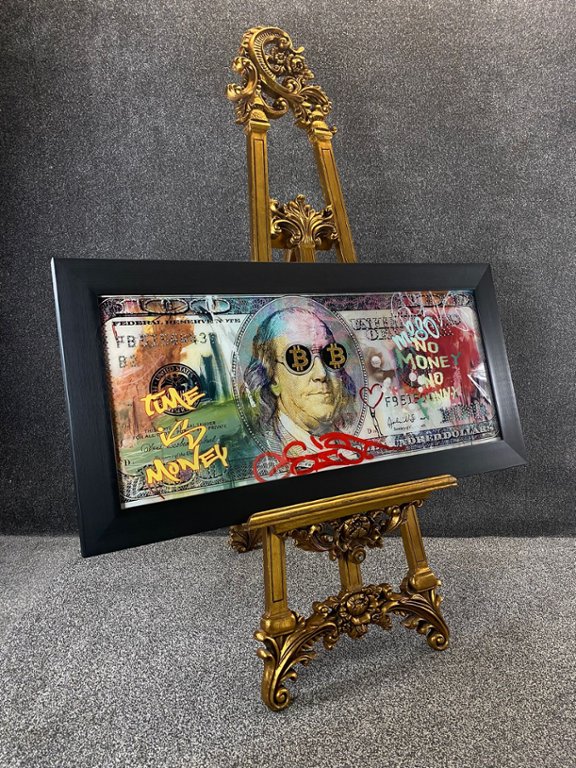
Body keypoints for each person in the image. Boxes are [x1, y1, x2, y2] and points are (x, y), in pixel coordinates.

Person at [242, 306, 358, 450]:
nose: (321, 373)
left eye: (330, 355)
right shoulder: (263, 448)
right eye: (299, 359)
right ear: (272, 377)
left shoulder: (351, 445)